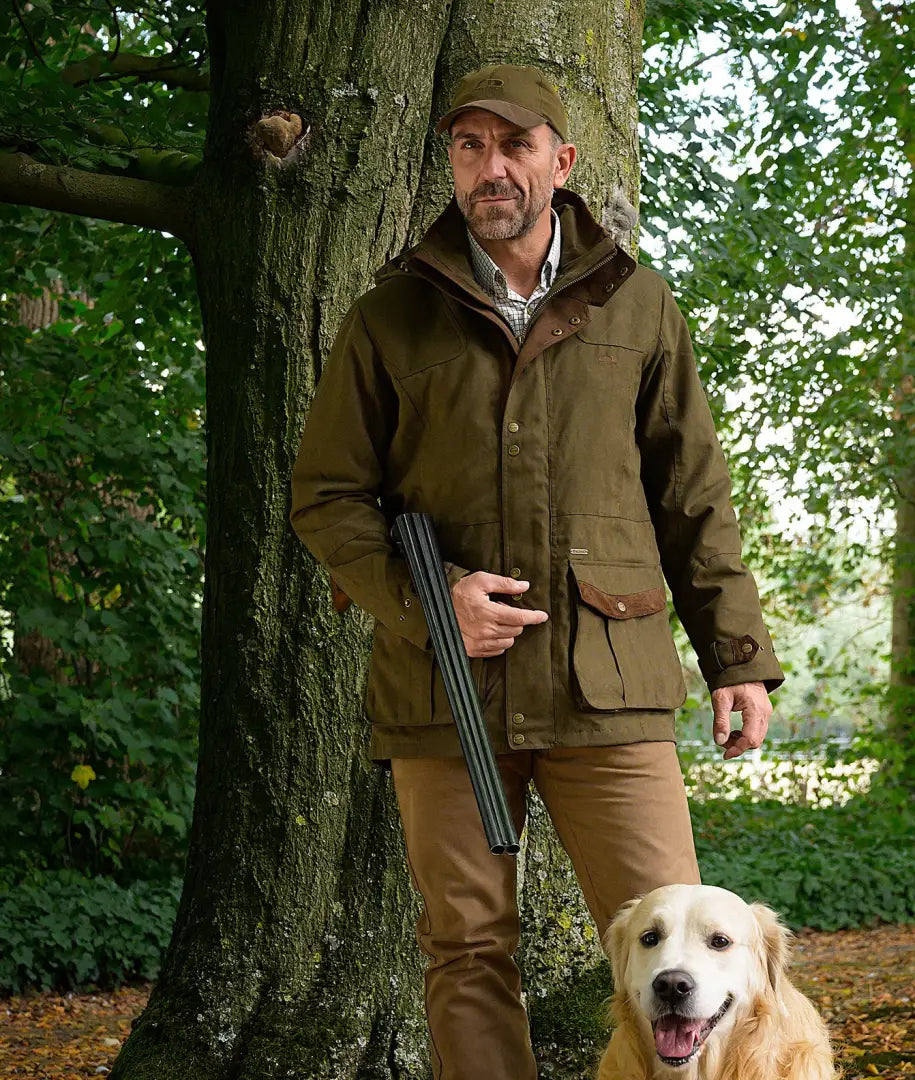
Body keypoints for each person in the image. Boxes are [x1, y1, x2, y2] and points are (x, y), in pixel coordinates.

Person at [289, 63, 784, 1080]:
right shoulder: (391, 317)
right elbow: (326, 497)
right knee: (466, 949)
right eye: (469, 147)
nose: (491, 168)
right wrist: (434, 601)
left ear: (560, 162)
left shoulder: (638, 304)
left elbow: (694, 493)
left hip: (610, 685)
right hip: (444, 691)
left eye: (513, 146)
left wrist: (737, 655)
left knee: (680, 944)